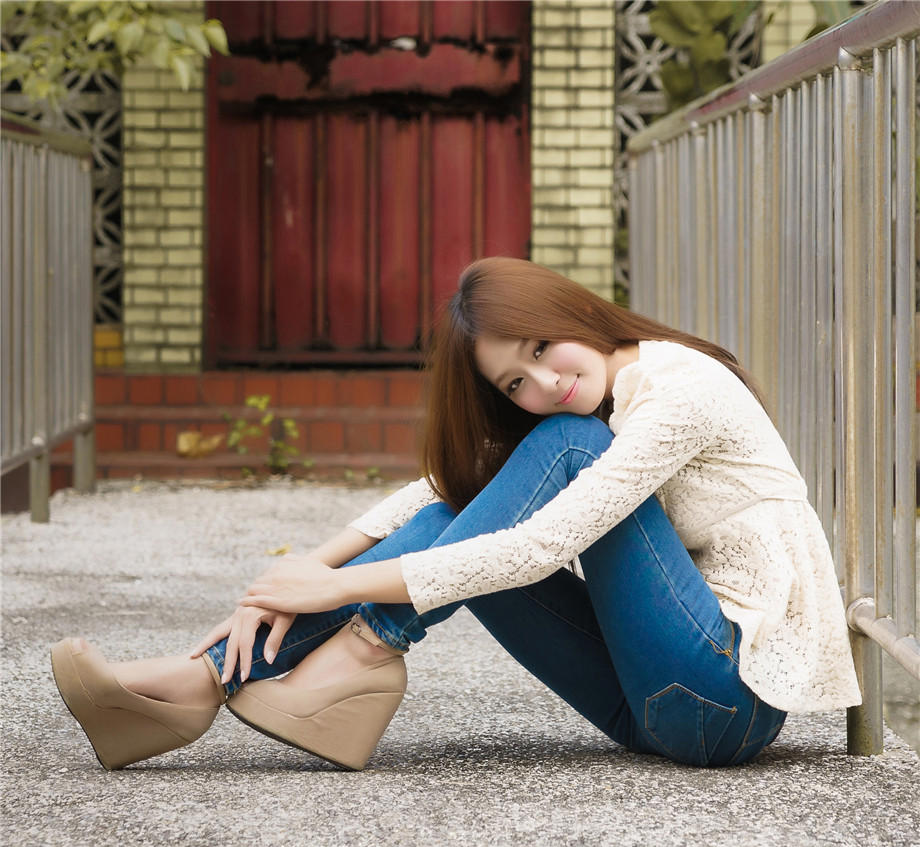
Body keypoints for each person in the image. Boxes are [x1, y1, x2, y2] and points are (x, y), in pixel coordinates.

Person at [51, 257, 861, 772]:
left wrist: (338, 596)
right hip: (644, 700)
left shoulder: (677, 390)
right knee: (477, 511)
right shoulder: (603, 403)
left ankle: (358, 652)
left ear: (573, 314)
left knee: (564, 455)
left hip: (725, 700)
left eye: (541, 351)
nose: (540, 386)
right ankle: (199, 683)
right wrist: (299, 575)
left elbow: (548, 542)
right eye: (514, 384)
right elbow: (449, 498)